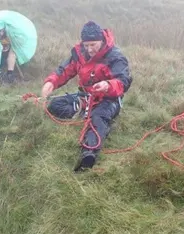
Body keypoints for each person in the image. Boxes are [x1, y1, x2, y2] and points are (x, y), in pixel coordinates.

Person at [41, 21, 132, 171]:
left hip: (108, 98)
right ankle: (81, 110)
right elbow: (64, 70)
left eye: (93, 45)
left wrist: (108, 85)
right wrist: (51, 82)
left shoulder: (115, 56)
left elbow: (123, 82)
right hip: (86, 96)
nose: (89, 49)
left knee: (97, 118)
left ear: (101, 41)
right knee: (54, 105)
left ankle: (88, 154)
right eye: (86, 45)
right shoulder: (79, 53)